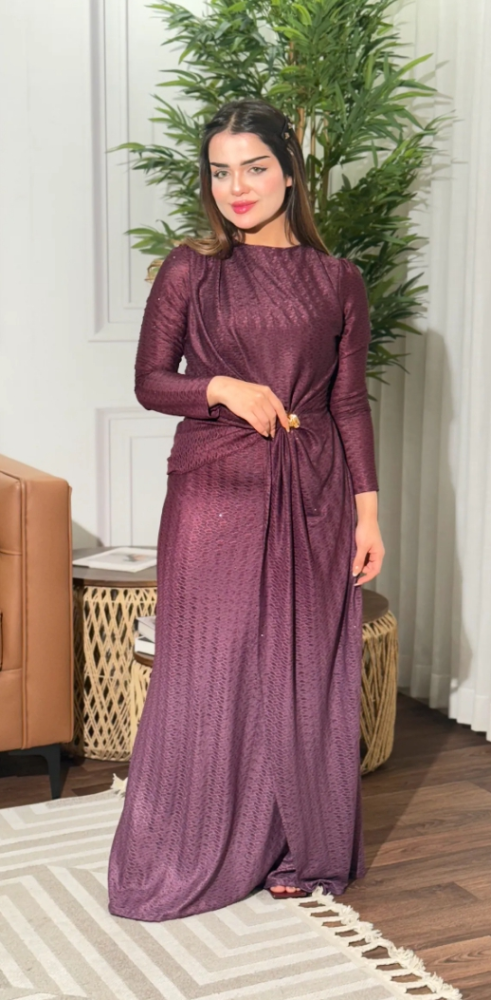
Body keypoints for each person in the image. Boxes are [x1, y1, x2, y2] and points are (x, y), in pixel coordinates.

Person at [107, 97, 385, 922]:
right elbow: (149, 381)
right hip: (214, 488)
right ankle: (187, 843)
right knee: (206, 667)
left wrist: (368, 515)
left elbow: (348, 404)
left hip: (314, 494)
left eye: (254, 168)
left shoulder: (338, 280)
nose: (236, 187)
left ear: (289, 171)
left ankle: (292, 842)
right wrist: (221, 387)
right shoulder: (191, 268)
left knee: (297, 669)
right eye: (220, 171)